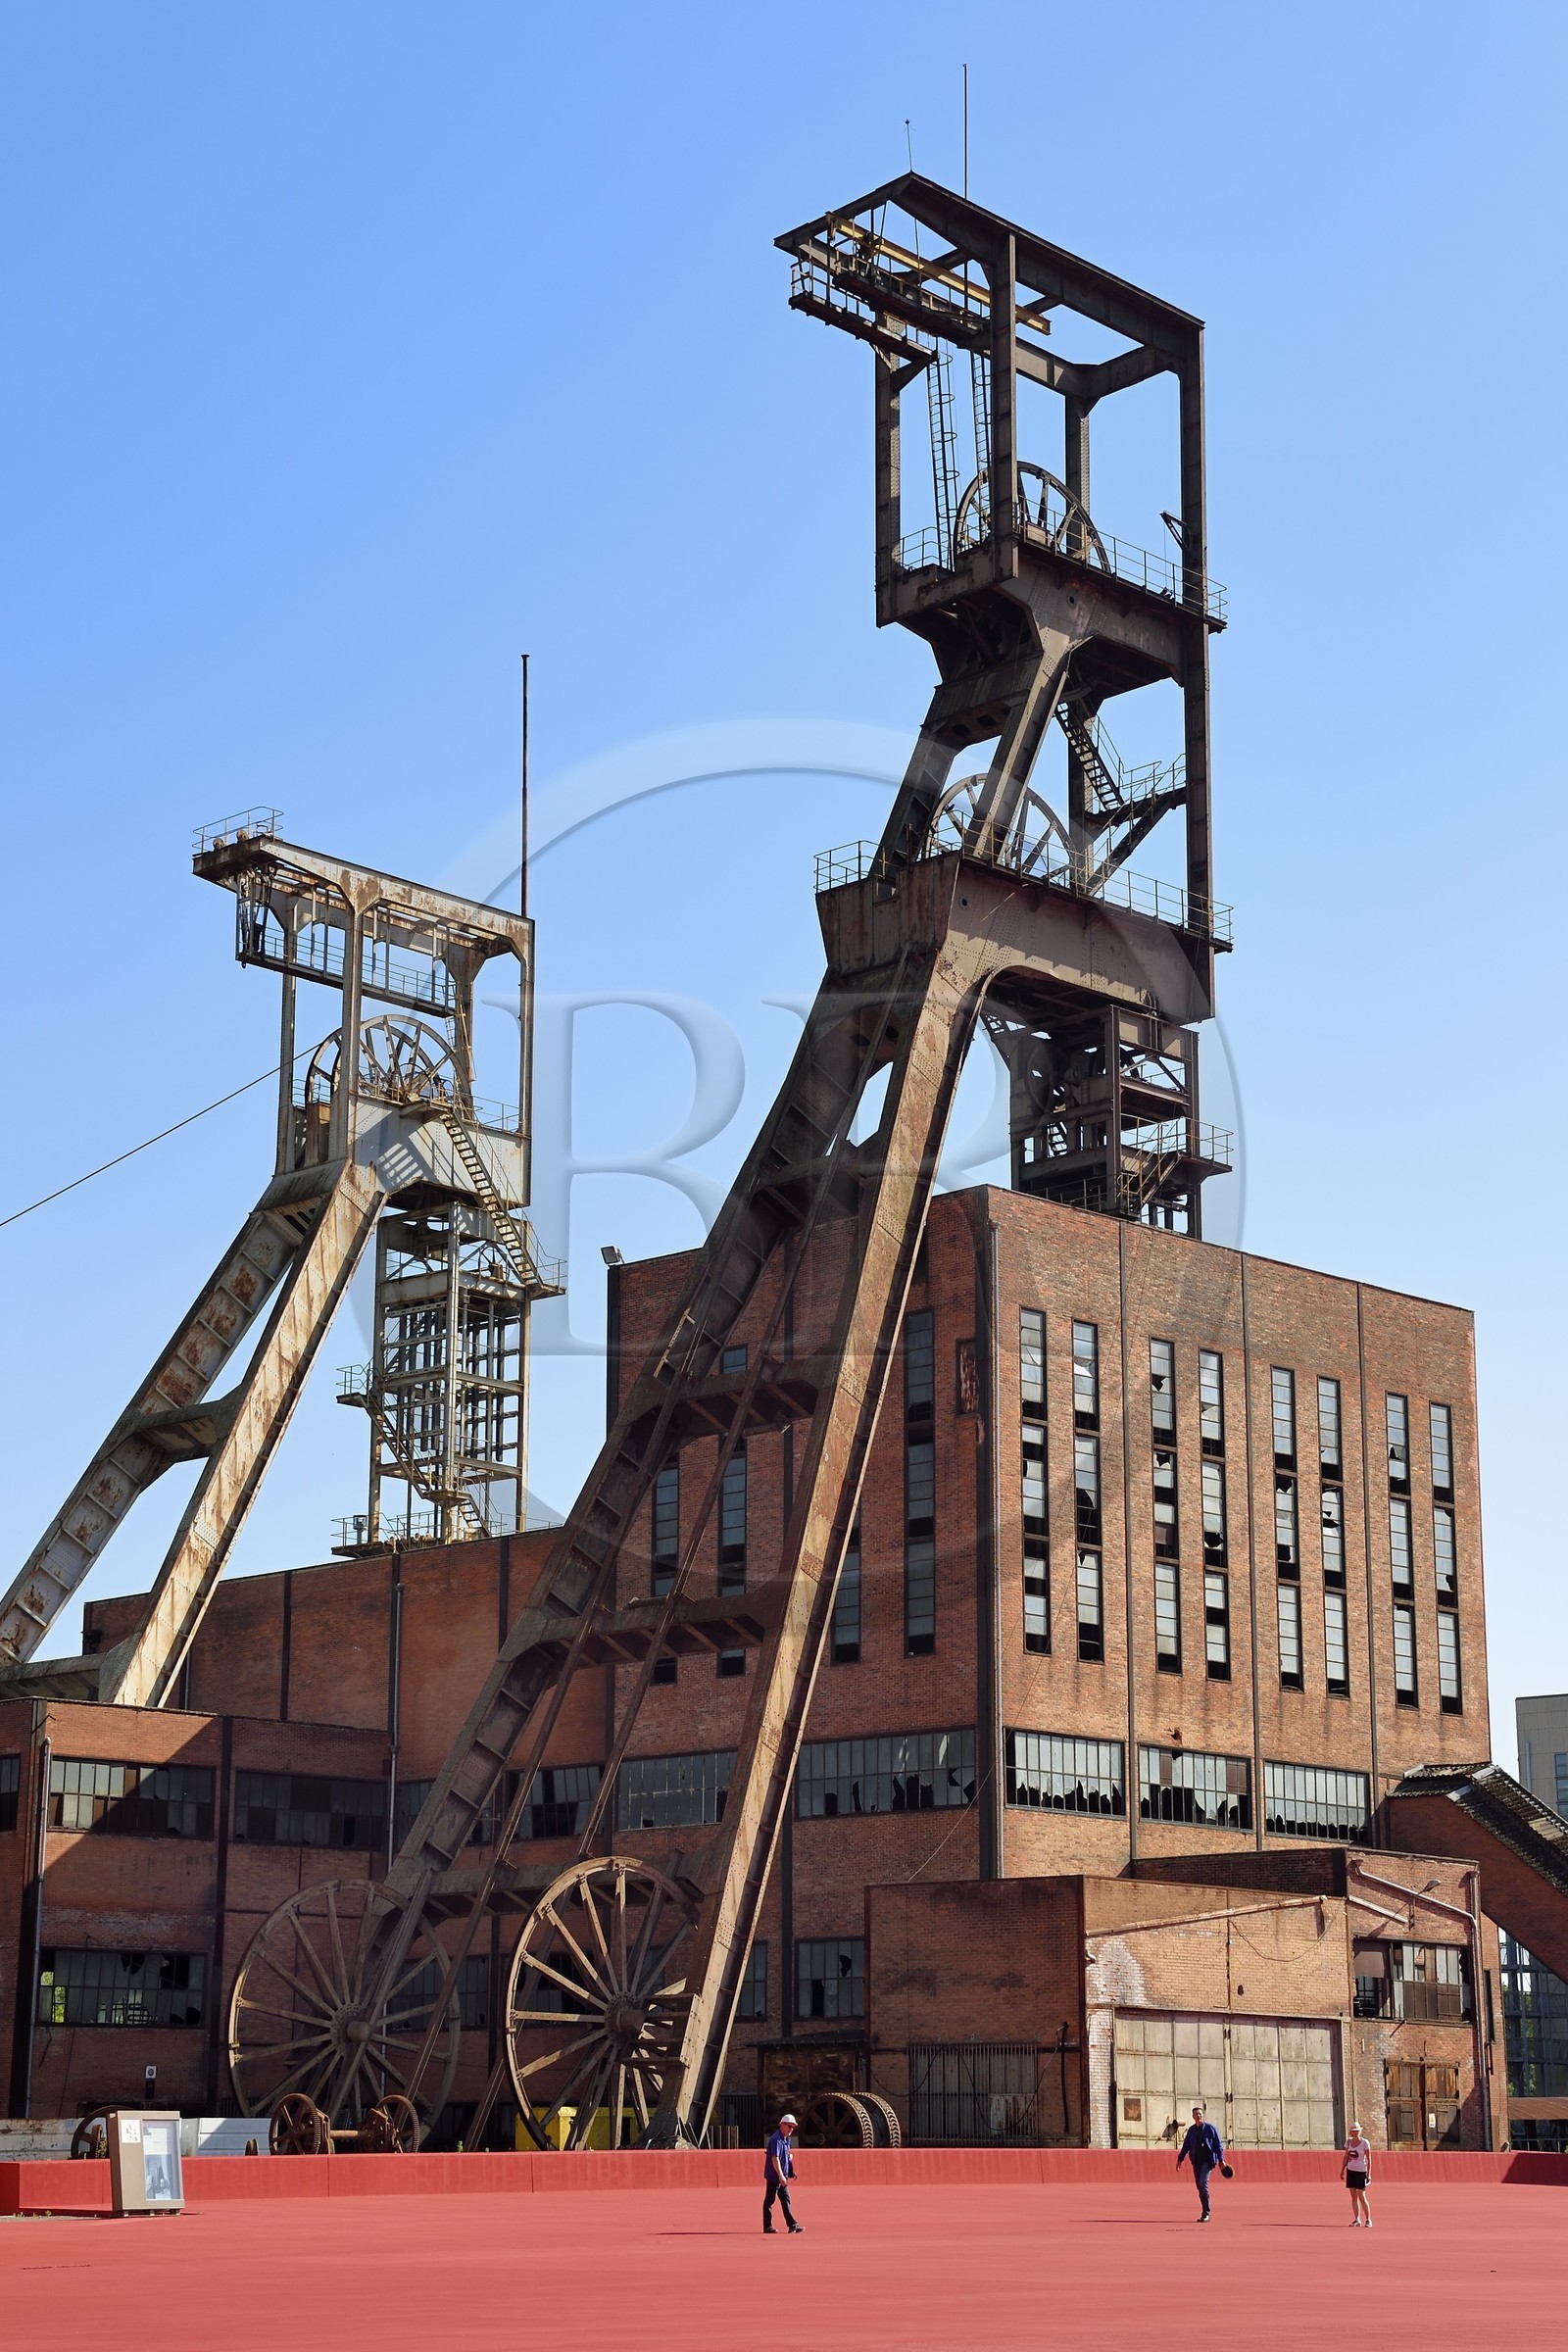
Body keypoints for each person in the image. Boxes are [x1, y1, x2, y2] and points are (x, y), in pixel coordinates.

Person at [1176, 2104, 1225, 2222]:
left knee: (1203, 2184)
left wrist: (1221, 2160)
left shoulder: (1210, 2128)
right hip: (1196, 2162)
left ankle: (1207, 2213)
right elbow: (1186, 2146)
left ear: (1203, 2116)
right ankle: (1204, 2212)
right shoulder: (1192, 2130)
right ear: (1193, 2116)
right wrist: (1180, 2159)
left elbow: (1218, 2145)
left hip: (1207, 2163)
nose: (1198, 2116)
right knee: (1199, 2187)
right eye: (1196, 2114)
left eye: (1200, 2114)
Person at [763, 2111, 803, 2235]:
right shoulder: (776, 2139)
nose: (791, 2129)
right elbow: (775, 2159)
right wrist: (780, 2176)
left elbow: (786, 2157)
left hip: (781, 2177)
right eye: (789, 2126)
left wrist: (790, 2172)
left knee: (785, 2200)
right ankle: (767, 2226)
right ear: (782, 2125)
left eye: (793, 2127)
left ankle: (793, 2225)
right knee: (770, 2200)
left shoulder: (786, 2140)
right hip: (774, 2177)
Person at [1341, 2123, 1373, 2228]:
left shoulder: (1365, 2143)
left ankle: (1368, 2219)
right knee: (1353, 2196)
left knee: (1361, 2195)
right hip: (1351, 2170)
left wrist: (1369, 2174)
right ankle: (1357, 2219)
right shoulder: (1349, 2142)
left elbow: (1369, 2159)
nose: (1355, 2133)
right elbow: (1346, 2156)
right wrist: (1342, 2170)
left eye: (1357, 2131)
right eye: (1353, 2131)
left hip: (1361, 2171)